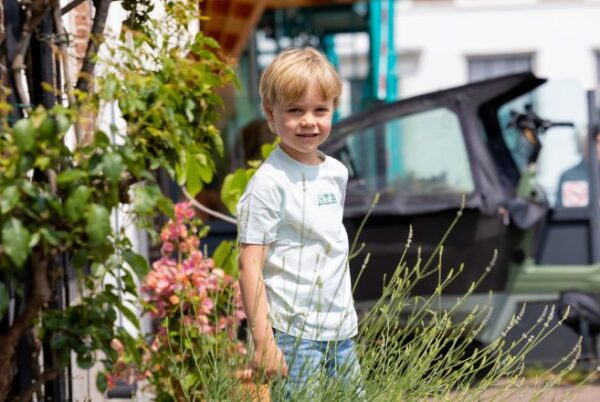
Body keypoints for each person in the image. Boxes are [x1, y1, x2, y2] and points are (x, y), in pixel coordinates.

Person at [236, 47, 362, 399]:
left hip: (340, 331)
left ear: (334, 109)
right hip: (294, 335)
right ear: (270, 114)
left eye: (320, 110)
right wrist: (264, 342)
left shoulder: (336, 173)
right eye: (295, 110)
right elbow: (249, 264)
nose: (309, 121)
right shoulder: (268, 183)